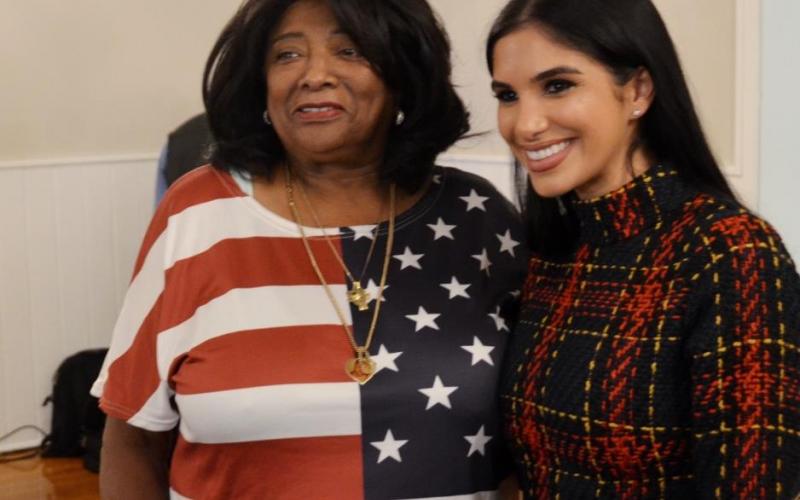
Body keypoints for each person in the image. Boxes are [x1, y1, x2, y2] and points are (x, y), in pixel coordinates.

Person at [91, 0, 527, 498]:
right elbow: (133, 440)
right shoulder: (196, 214)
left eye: (350, 50)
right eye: (286, 55)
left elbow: (531, 435)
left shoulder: (479, 217)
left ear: (403, 73)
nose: (314, 74)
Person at [486, 0, 800, 498]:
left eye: (557, 86)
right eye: (507, 95)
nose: (524, 125)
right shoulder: (549, 253)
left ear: (637, 90)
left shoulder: (731, 252)